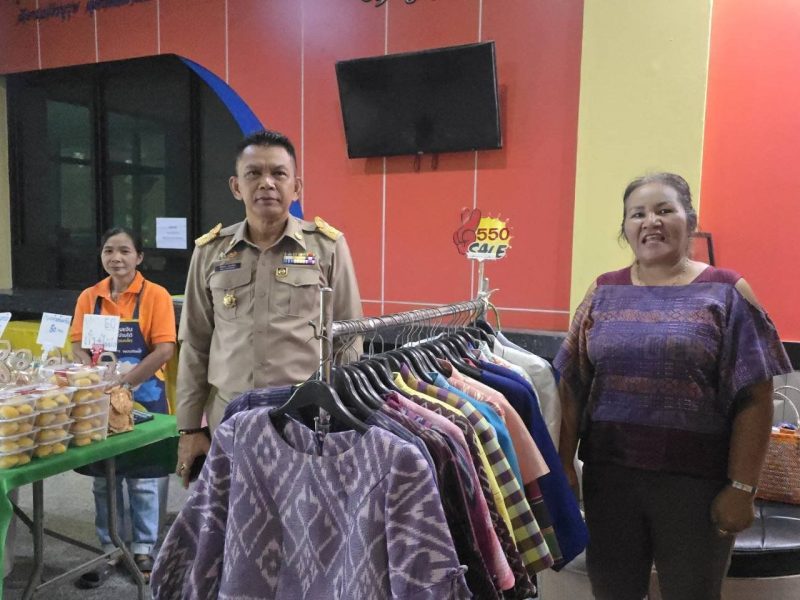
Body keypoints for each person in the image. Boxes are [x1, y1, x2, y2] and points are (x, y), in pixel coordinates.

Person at [554, 172, 792, 600]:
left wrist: (742, 488)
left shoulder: (727, 291)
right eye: (638, 214)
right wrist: (565, 465)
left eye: (665, 210)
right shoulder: (603, 291)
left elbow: (756, 398)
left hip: (696, 486)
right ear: (625, 228)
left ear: (691, 220)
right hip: (610, 481)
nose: (651, 222)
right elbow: (572, 384)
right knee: (612, 591)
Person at [175, 128, 363, 487]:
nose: (266, 183)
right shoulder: (210, 252)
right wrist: (189, 428)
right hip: (228, 419)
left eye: (278, 173)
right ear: (236, 186)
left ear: (297, 187)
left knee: (304, 516)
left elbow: (349, 339)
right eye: (254, 173)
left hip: (305, 420)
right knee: (230, 514)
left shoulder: (327, 248)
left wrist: (343, 418)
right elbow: (195, 344)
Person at [70, 227, 176, 586]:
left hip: (146, 396)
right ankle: (110, 548)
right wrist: (94, 375)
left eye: (125, 251)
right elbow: (77, 344)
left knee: (144, 478)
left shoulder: (156, 295)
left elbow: (165, 349)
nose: (116, 258)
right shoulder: (90, 296)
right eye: (109, 250)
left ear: (139, 257)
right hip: (101, 397)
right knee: (105, 480)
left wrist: (126, 382)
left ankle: (144, 548)